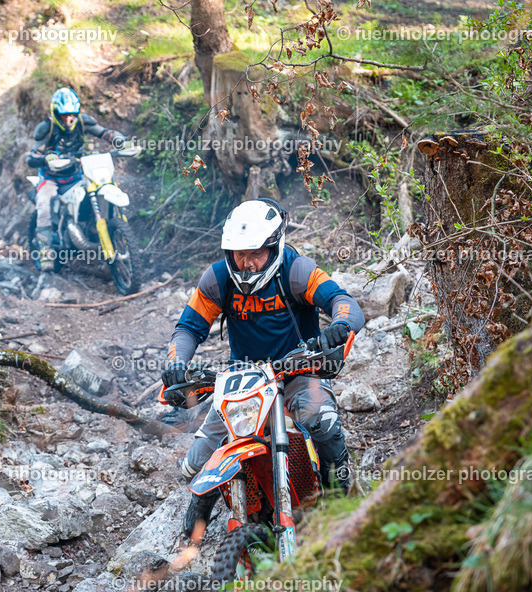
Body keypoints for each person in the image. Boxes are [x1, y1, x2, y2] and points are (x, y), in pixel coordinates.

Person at [162, 198, 366, 541]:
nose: (247, 262)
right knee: (200, 456)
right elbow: (188, 328)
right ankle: (203, 498)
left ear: (274, 246)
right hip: (244, 375)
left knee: (323, 421)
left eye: (256, 252)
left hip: (298, 366)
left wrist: (340, 326)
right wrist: (175, 364)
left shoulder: (296, 270)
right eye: (239, 253)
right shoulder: (217, 278)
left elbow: (342, 300)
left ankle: (339, 494)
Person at [26, 87, 128, 272]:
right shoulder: (46, 128)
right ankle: (45, 252)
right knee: (44, 206)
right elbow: (32, 156)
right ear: (55, 112)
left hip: (77, 174)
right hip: (51, 178)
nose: (68, 119)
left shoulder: (83, 122)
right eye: (63, 115)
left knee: (100, 190)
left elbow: (105, 133)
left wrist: (119, 139)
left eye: (72, 114)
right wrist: (45, 158)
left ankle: (100, 233)